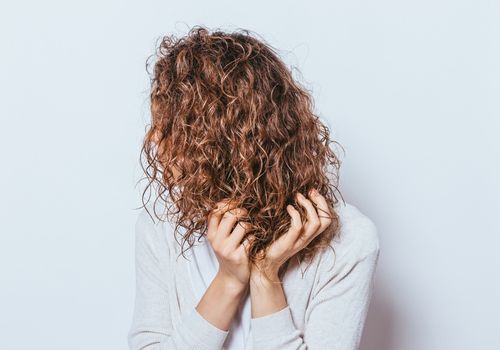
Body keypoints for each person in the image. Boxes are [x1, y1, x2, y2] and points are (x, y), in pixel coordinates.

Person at [128, 25, 380, 350]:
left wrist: (265, 277)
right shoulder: (160, 224)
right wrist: (228, 280)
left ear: (229, 141)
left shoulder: (350, 241)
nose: (155, 141)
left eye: (174, 129)